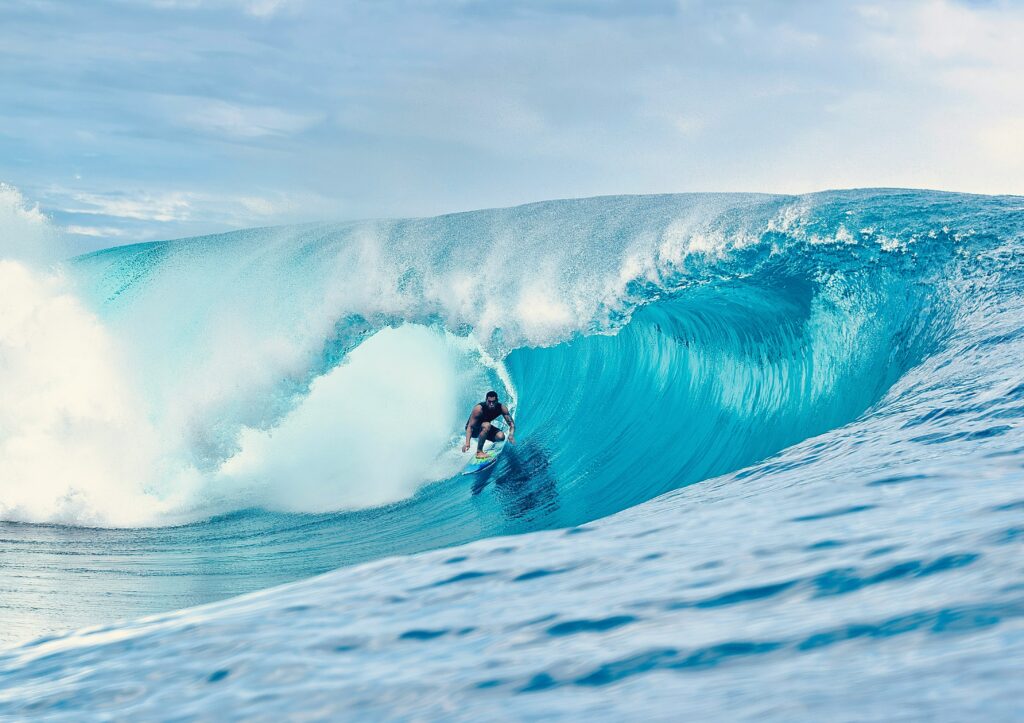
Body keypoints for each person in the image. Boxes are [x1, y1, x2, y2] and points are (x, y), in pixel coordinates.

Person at [462, 390, 515, 459]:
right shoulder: (479, 409)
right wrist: (467, 443)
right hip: (474, 431)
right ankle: (479, 452)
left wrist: (511, 435)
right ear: (486, 400)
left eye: (494, 402)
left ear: (497, 400)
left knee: (501, 437)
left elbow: (511, 424)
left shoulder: (502, 408)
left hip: (485, 428)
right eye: (489, 402)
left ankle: (484, 441)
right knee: (487, 425)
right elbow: (470, 427)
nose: (491, 404)